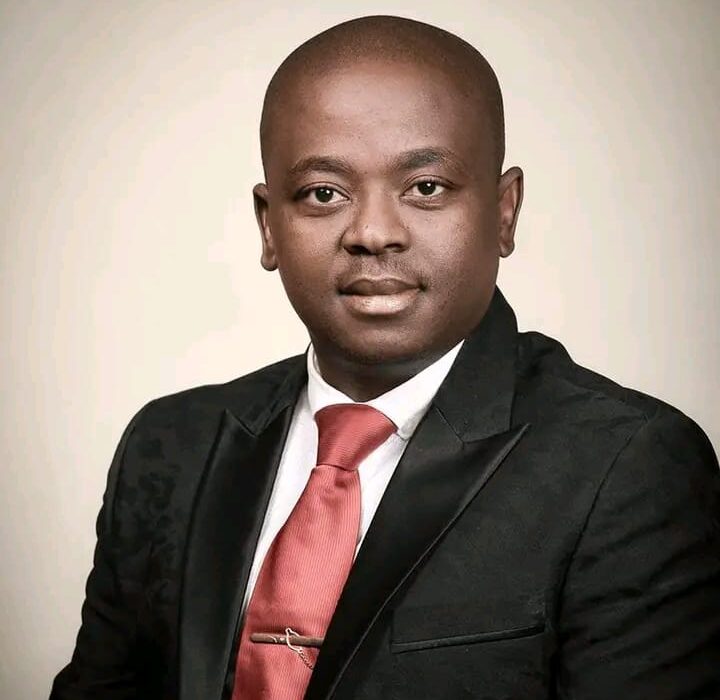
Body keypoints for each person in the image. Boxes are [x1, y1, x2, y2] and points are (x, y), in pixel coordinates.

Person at [51, 15, 720, 700]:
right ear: (269, 226)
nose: (373, 233)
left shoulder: (628, 467)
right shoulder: (169, 446)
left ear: (505, 212)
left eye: (426, 187)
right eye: (324, 193)